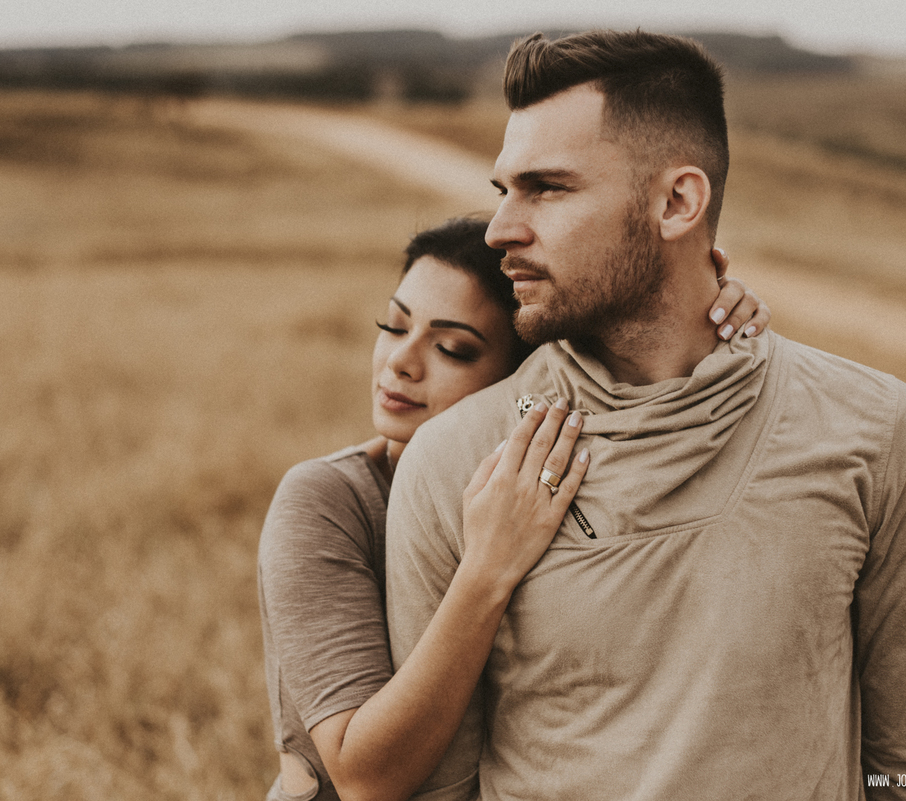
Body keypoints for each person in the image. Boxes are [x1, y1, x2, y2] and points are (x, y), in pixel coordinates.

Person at [385, 31, 906, 801]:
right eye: (504, 191)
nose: (500, 228)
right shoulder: (457, 463)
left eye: (547, 188)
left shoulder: (876, 429)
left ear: (676, 202)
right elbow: (439, 789)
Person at [258, 216, 770, 801]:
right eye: (394, 325)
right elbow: (364, 778)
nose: (401, 361)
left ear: (528, 376)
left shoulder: (566, 492)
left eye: (452, 348)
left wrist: (712, 314)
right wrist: (487, 569)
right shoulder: (327, 501)